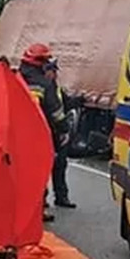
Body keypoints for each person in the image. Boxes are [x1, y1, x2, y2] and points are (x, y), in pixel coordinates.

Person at [18, 43, 70, 222]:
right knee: (37, 174)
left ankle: (17, 210)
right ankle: (36, 211)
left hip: (15, 135)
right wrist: (64, 129)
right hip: (37, 135)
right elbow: (55, 111)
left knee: (19, 173)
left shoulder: (15, 77)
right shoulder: (44, 83)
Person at [44, 57, 76, 210]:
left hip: (57, 134)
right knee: (43, 170)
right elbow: (53, 111)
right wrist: (63, 128)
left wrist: (81, 100)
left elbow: (66, 102)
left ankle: (61, 197)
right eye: (52, 71)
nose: (55, 74)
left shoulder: (54, 87)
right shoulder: (44, 87)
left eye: (55, 71)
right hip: (48, 133)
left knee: (60, 166)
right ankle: (41, 202)